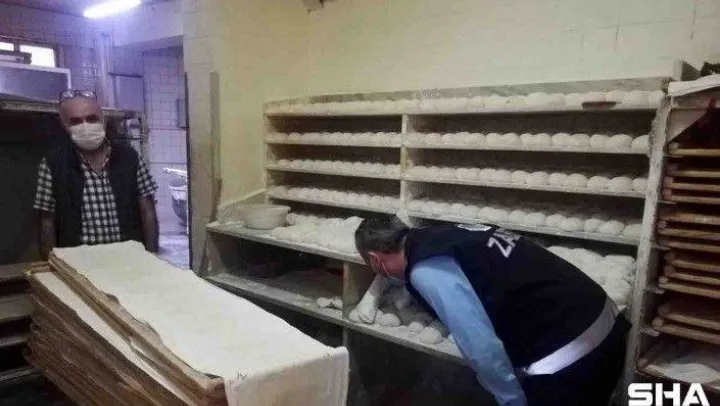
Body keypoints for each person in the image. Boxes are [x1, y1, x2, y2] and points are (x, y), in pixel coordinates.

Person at [355, 216, 630, 406]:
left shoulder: (426, 269)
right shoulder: (442, 235)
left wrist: (512, 399)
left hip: (574, 353)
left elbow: (481, 345)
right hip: (604, 319)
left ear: (376, 261)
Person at [34, 90, 159, 259]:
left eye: (92, 118)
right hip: (78, 262)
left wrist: (152, 254)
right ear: (65, 125)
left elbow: (148, 210)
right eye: (76, 121)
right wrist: (52, 264)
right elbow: (46, 220)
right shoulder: (52, 164)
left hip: (128, 258)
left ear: (103, 119)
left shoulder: (130, 157)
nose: (85, 125)